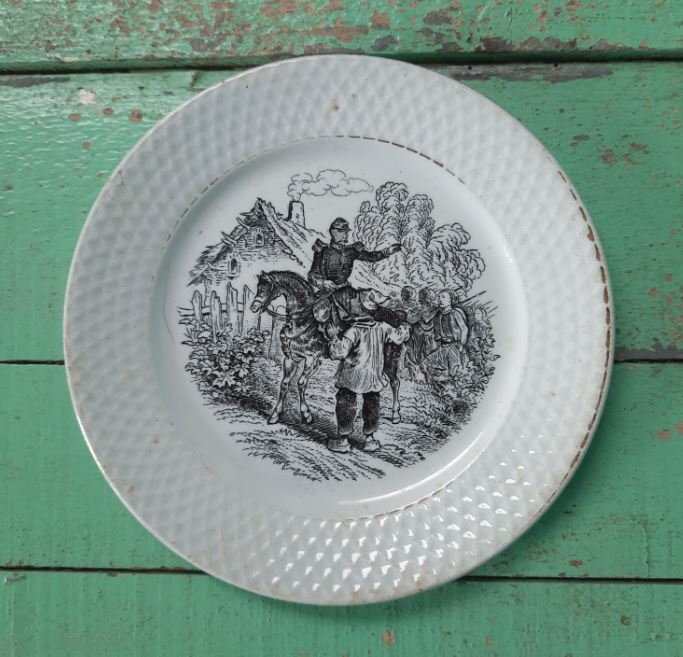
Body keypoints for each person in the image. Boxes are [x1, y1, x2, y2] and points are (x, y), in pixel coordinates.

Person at [327, 301, 410, 453]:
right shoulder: (383, 327)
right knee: (372, 405)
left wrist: (333, 337)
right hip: (373, 376)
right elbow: (399, 337)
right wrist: (405, 327)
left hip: (352, 376)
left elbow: (339, 353)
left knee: (345, 403)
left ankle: (343, 440)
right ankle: (369, 440)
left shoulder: (353, 330)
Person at [308, 217, 401, 330]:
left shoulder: (351, 250)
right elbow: (312, 274)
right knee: (318, 319)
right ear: (332, 232)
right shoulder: (322, 251)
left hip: (347, 293)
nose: (345, 235)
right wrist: (323, 282)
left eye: (346, 232)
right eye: (341, 232)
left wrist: (387, 252)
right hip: (327, 294)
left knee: (370, 310)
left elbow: (371, 257)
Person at [422, 289, 469, 381]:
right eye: (439, 297)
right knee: (425, 364)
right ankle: (436, 378)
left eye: (443, 297)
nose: (440, 299)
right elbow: (427, 325)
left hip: (454, 346)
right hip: (442, 347)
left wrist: (461, 345)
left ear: (451, 300)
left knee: (453, 372)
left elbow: (464, 329)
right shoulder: (438, 314)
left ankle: (446, 380)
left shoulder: (455, 313)